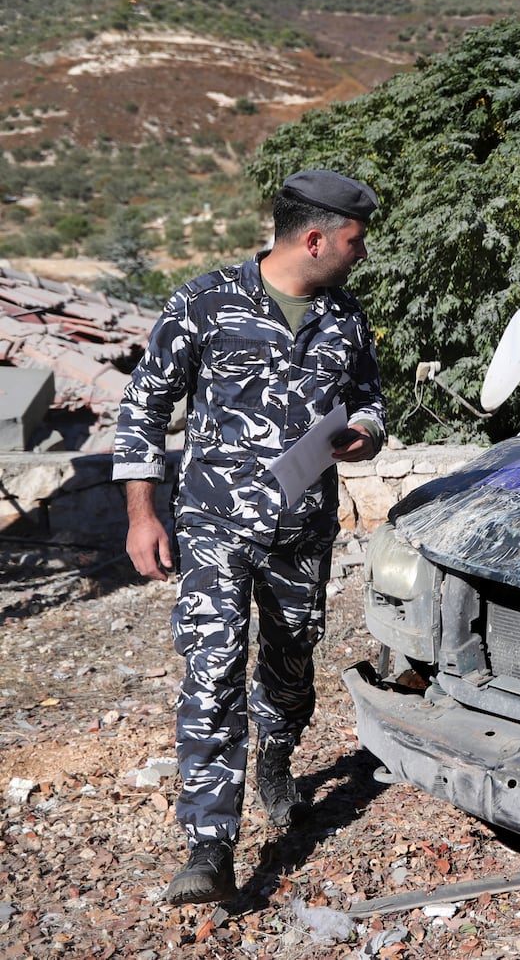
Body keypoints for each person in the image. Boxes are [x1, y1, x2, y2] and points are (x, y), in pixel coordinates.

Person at [114, 170, 387, 904]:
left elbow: (369, 399)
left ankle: (277, 755)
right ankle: (210, 843)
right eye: (355, 241)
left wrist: (364, 432)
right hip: (214, 527)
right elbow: (142, 408)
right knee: (212, 670)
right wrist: (144, 513)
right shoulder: (204, 303)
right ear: (315, 237)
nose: (361, 254)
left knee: (292, 666)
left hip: (302, 531)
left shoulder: (346, 317)